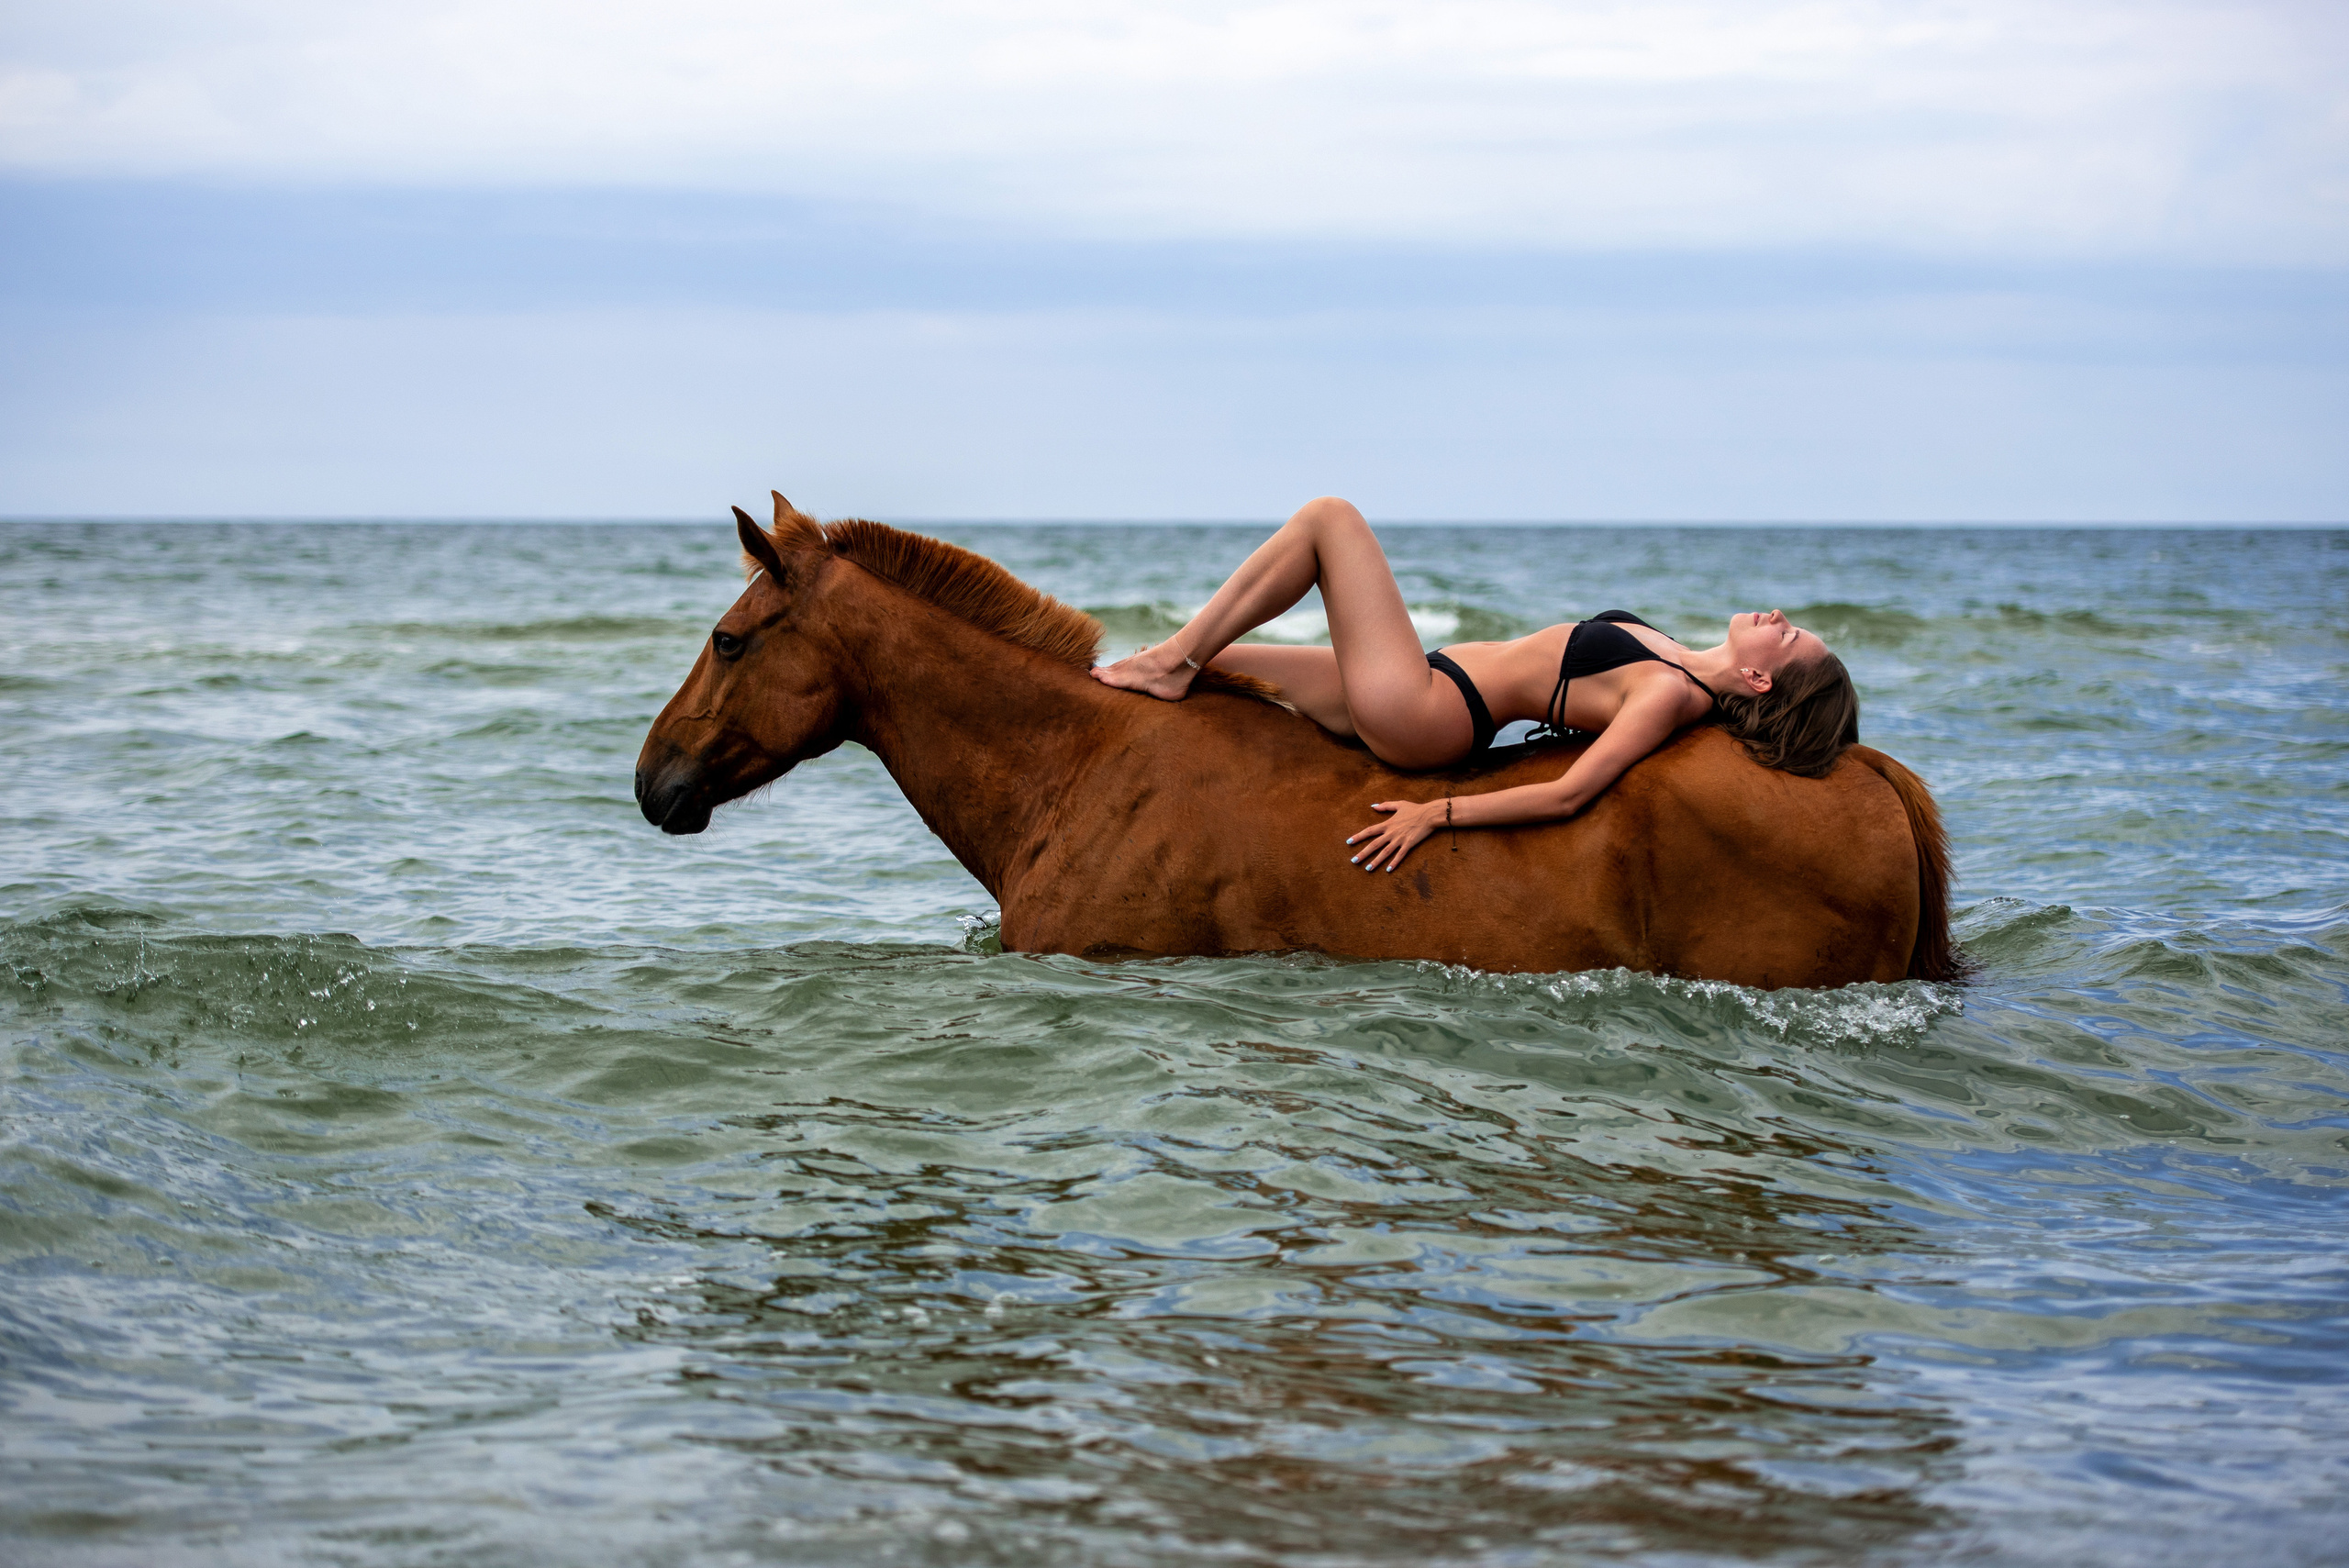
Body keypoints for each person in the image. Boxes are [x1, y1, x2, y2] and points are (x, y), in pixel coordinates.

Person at [1091, 496, 1859, 872]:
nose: (1778, 614)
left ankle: (1171, 660)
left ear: (1759, 677)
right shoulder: (1682, 664)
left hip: (1430, 712)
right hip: (1428, 679)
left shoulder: (1670, 696)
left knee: (1330, 519)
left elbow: (1571, 793)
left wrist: (1437, 814)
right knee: (1228, 672)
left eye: (1787, 634)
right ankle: (1167, 667)